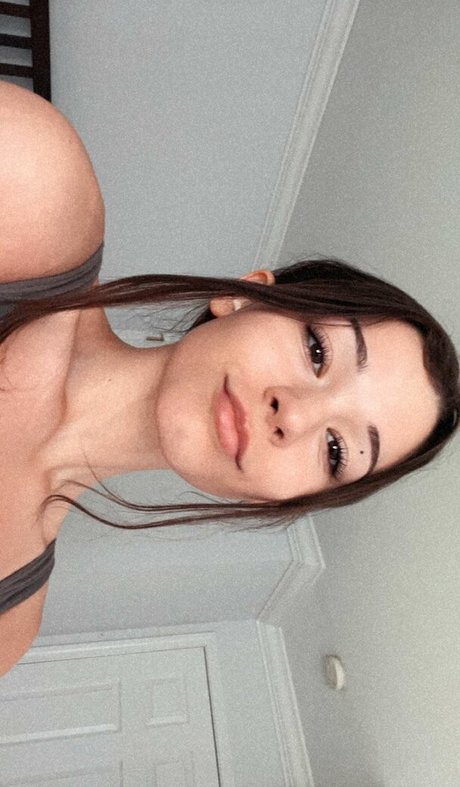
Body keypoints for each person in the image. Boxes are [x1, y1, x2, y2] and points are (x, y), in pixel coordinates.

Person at [0, 83, 458, 676]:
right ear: (244, 295)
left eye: (336, 450)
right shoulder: (34, 186)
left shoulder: (11, 623)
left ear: (287, 499)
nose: (295, 415)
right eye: (317, 350)